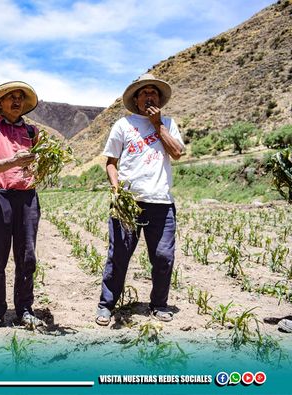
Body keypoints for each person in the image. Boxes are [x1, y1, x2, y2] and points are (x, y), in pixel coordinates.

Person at [96, 73, 185, 326]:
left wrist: (158, 125)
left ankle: (159, 304)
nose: (149, 96)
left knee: (163, 257)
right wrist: (116, 190)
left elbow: (177, 153)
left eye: (153, 92)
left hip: (161, 202)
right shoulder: (123, 126)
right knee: (119, 256)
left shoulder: (168, 122)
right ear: (136, 99)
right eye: (144, 93)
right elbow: (111, 163)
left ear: (159, 98)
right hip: (129, 203)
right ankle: (106, 305)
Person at [0, 81, 43, 332]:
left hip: (27, 198)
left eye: (20, 98)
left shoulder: (33, 132)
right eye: (11, 97)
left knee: (27, 257)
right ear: (1, 103)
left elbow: (42, 161)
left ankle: (25, 310)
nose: (16, 101)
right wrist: (13, 160)